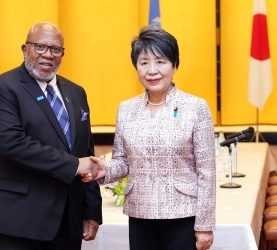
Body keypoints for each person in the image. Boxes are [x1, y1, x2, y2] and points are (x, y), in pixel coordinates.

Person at [89, 27, 216, 250]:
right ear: (136, 67)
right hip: (140, 214)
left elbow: (207, 172)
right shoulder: (126, 109)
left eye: (160, 61)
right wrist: (105, 171)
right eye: (144, 62)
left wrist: (205, 224)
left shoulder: (195, 107)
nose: (152, 70)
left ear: (174, 65)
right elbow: (123, 160)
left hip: (183, 215)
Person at [0, 22, 102, 250]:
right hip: (19, 220)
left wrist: (91, 210)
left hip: (69, 221)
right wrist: (74, 165)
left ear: (62, 54)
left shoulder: (76, 93)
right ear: (24, 49)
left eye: (55, 49)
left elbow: (87, 154)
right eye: (40, 47)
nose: (48, 55)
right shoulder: (1, 88)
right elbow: (13, 144)